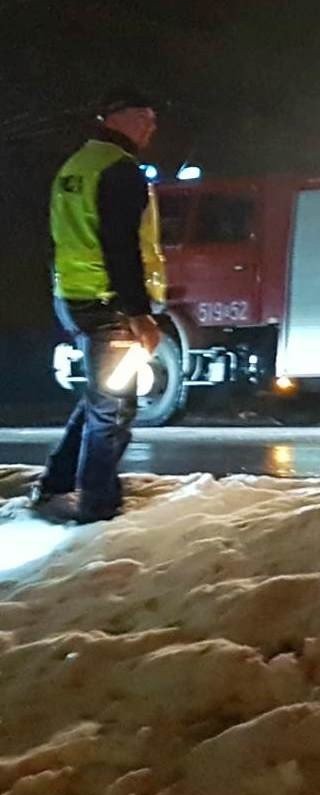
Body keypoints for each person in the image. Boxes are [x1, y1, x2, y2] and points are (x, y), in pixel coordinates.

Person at [35, 89, 167, 522]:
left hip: (73, 297)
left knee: (100, 399)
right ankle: (97, 505)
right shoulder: (119, 171)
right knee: (114, 409)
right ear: (117, 118)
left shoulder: (76, 167)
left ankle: (56, 483)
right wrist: (139, 313)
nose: (151, 126)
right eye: (143, 117)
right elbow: (120, 248)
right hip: (109, 305)